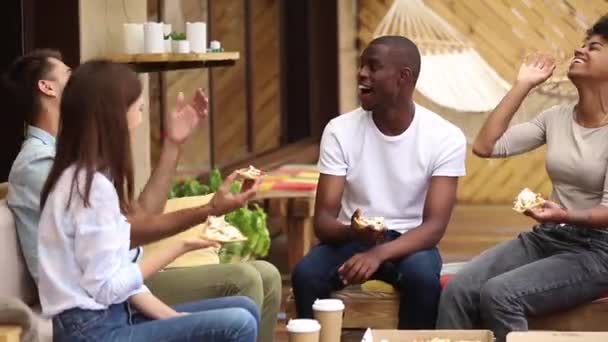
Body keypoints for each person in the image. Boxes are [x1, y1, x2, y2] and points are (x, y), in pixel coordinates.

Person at [4, 50, 280, 342]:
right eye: (136, 107)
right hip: (92, 322)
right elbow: (107, 281)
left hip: (110, 307)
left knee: (243, 309)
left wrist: (176, 319)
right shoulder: (62, 175)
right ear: (112, 114)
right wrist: (188, 237)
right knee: (237, 319)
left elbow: (121, 247)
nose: (142, 110)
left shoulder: (84, 172)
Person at [436, 15, 608, 342]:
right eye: (583, 44)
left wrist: (564, 214)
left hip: (600, 251)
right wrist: (523, 85)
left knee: (501, 294)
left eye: (594, 47)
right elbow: (486, 146)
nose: (580, 50)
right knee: (459, 290)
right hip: (550, 236)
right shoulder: (555, 118)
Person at [291, 35, 467, 328]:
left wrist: (378, 254)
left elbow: (434, 227)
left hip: (412, 242)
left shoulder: (444, 137)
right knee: (306, 275)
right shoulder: (340, 131)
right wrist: (354, 234)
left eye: (373, 67)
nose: (362, 74)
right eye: (361, 66)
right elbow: (322, 220)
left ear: (403, 77)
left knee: (423, 280)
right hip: (352, 239)